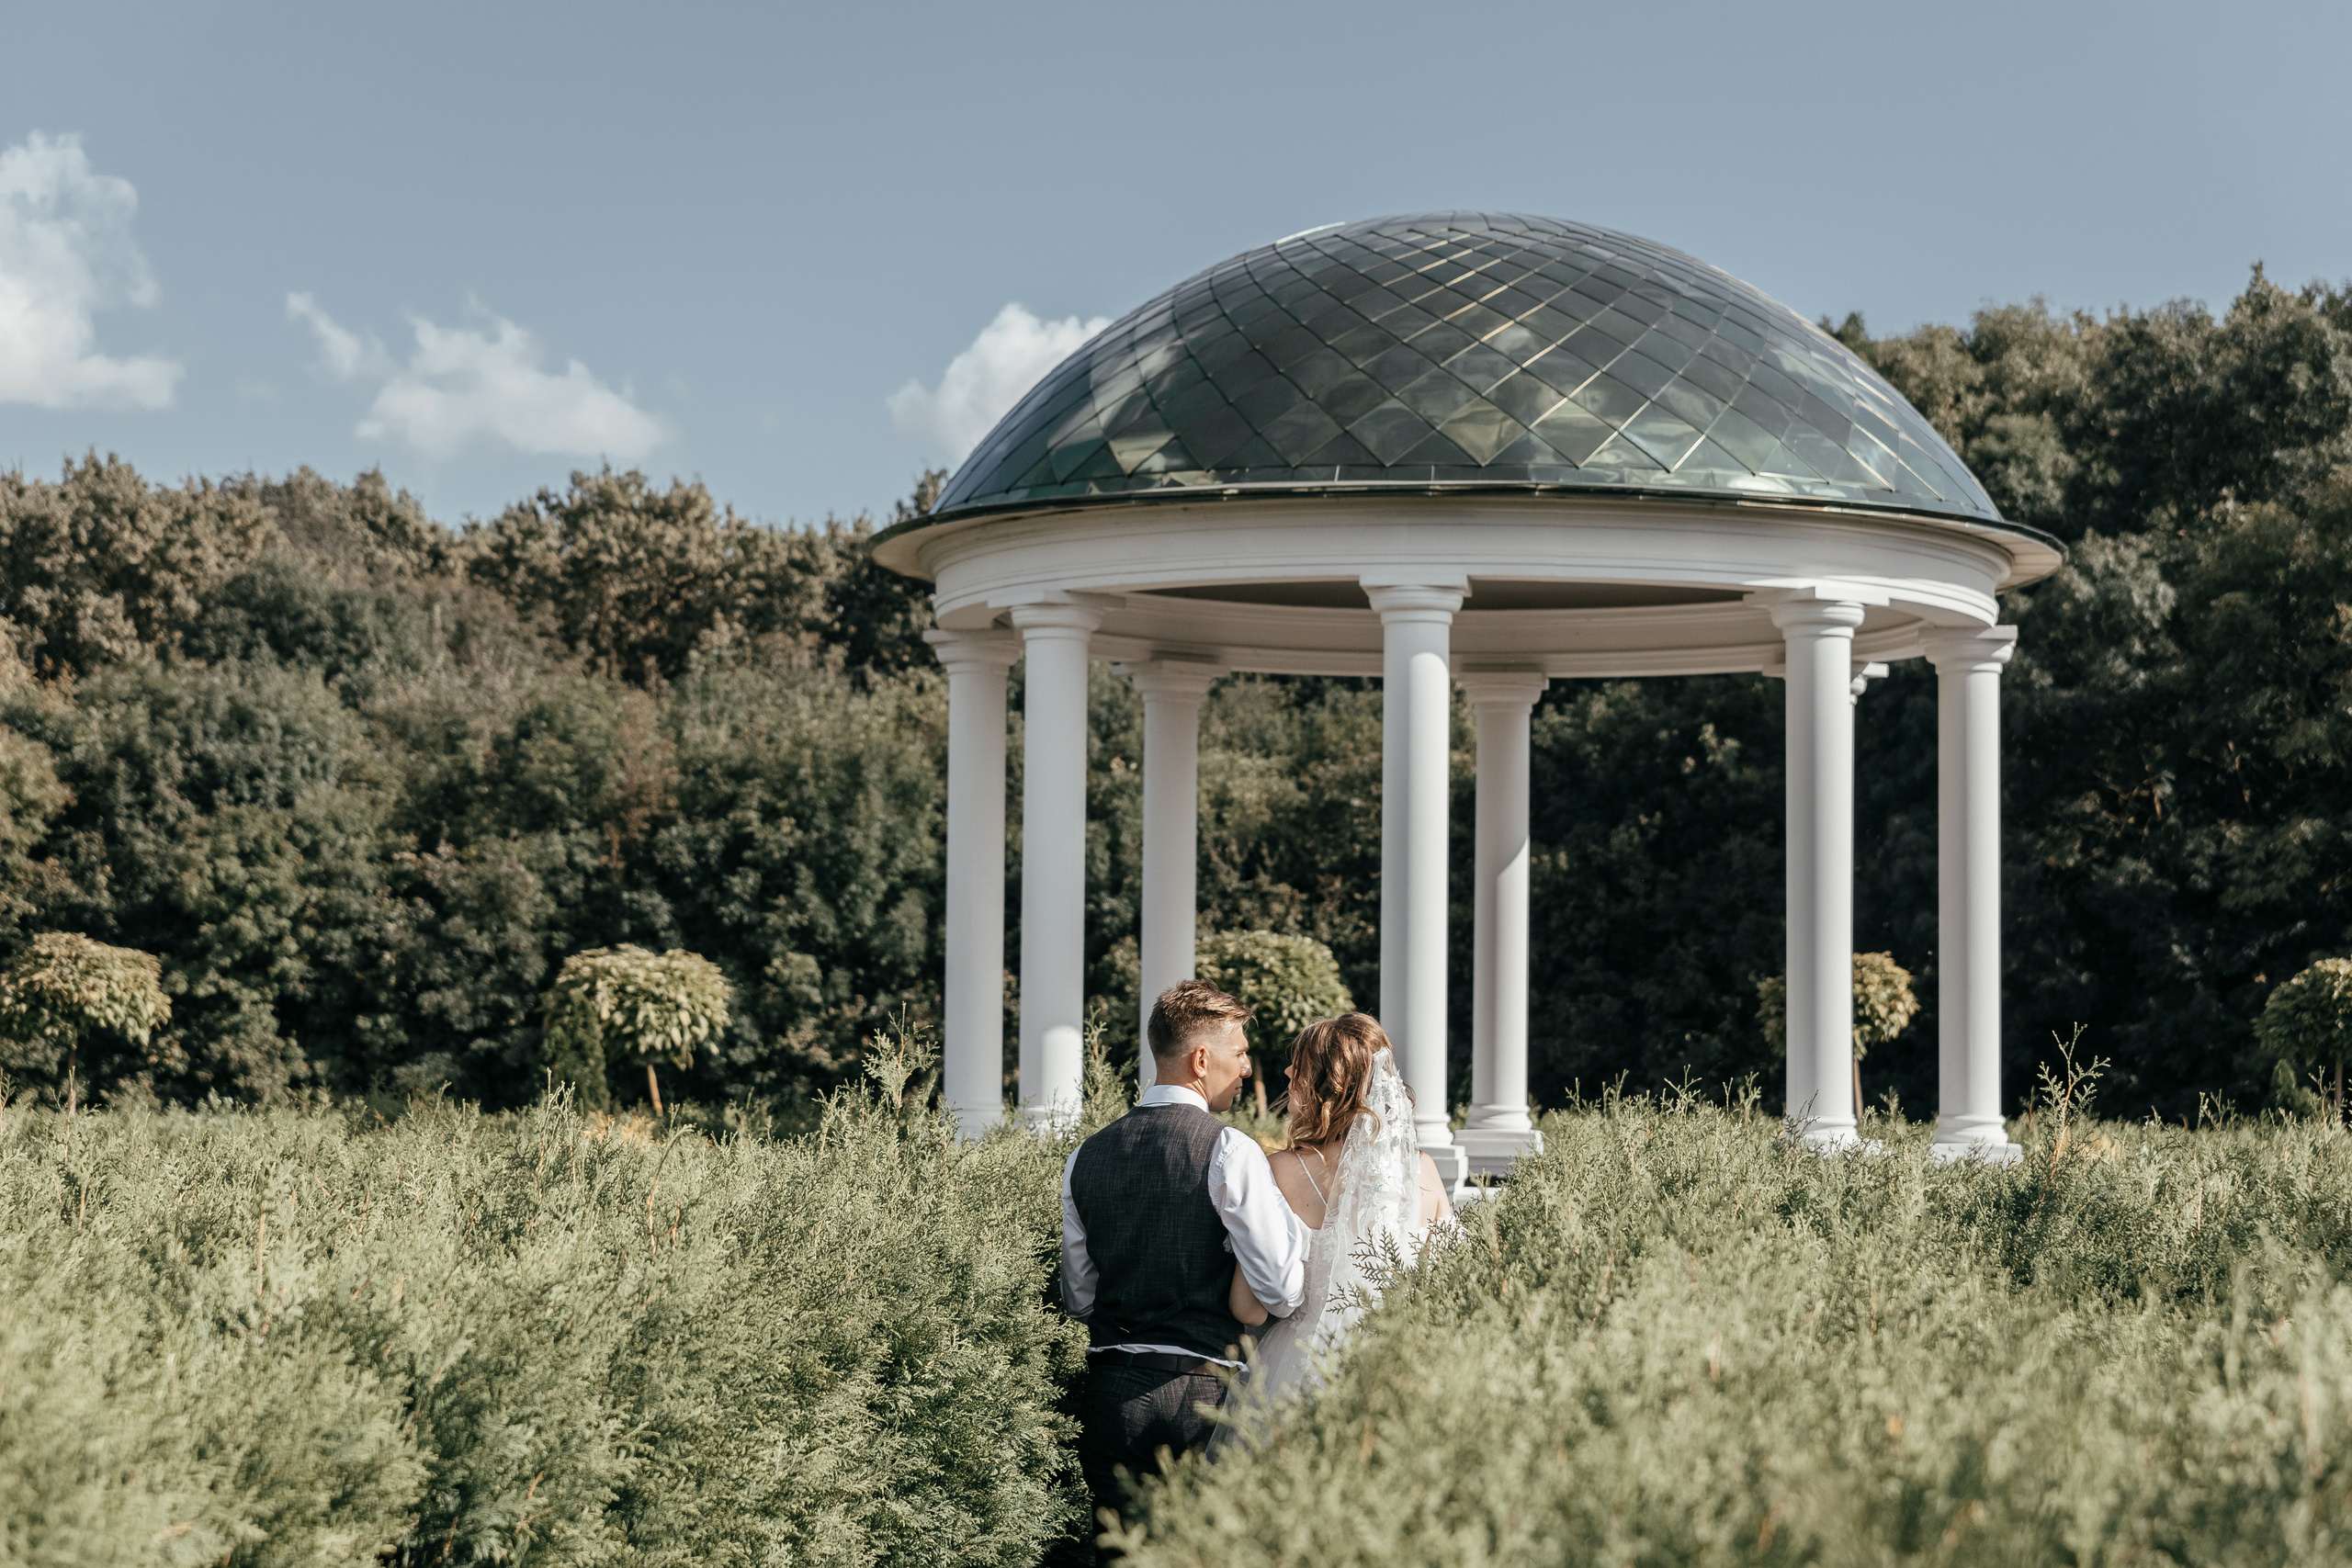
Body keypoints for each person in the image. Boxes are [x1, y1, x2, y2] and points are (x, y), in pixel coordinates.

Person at [1061, 979, 1307, 1551]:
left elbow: (1079, 1297)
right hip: (1203, 1394)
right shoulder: (1231, 1150)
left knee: (1118, 1556)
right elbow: (1281, 1289)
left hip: (1111, 1391)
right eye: (1238, 1053)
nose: (1246, 1068)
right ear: (1201, 1060)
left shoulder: (1085, 1155)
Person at [1225, 1011, 1452, 1406]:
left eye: (1301, 1064)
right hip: (1399, 1366)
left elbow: (1246, 1307)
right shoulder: (1424, 1173)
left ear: (1330, 1083)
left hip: (1301, 1367)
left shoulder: (1278, 1170)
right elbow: (1445, 1292)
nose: (1287, 1070)